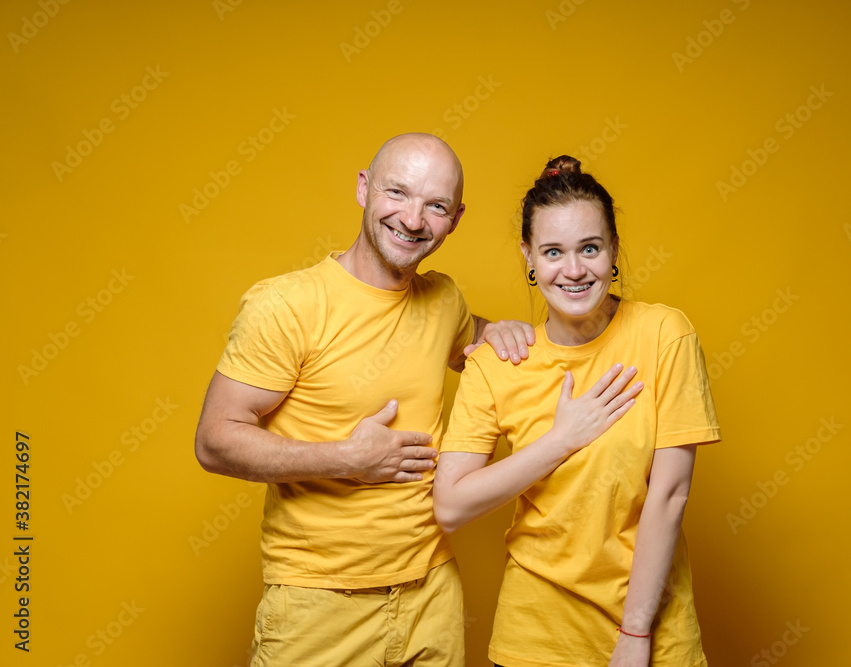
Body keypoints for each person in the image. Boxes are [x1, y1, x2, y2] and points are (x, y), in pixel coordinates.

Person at [194, 133, 535, 667]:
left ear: (456, 219)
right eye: (397, 193)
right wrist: (348, 459)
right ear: (363, 188)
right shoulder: (286, 305)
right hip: (316, 604)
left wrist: (503, 332)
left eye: (436, 206)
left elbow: (476, 341)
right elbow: (214, 442)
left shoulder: (443, 299)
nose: (413, 219)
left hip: (432, 595)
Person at [433, 155, 721, 667]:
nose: (573, 270)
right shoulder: (497, 365)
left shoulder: (663, 335)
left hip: (652, 631)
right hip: (535, 638)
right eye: (552, 252)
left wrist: (635, 635)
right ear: (529, 256)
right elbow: (451, 505)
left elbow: (670, 494)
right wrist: (561, 440)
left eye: (589, 248)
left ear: (612, 248)